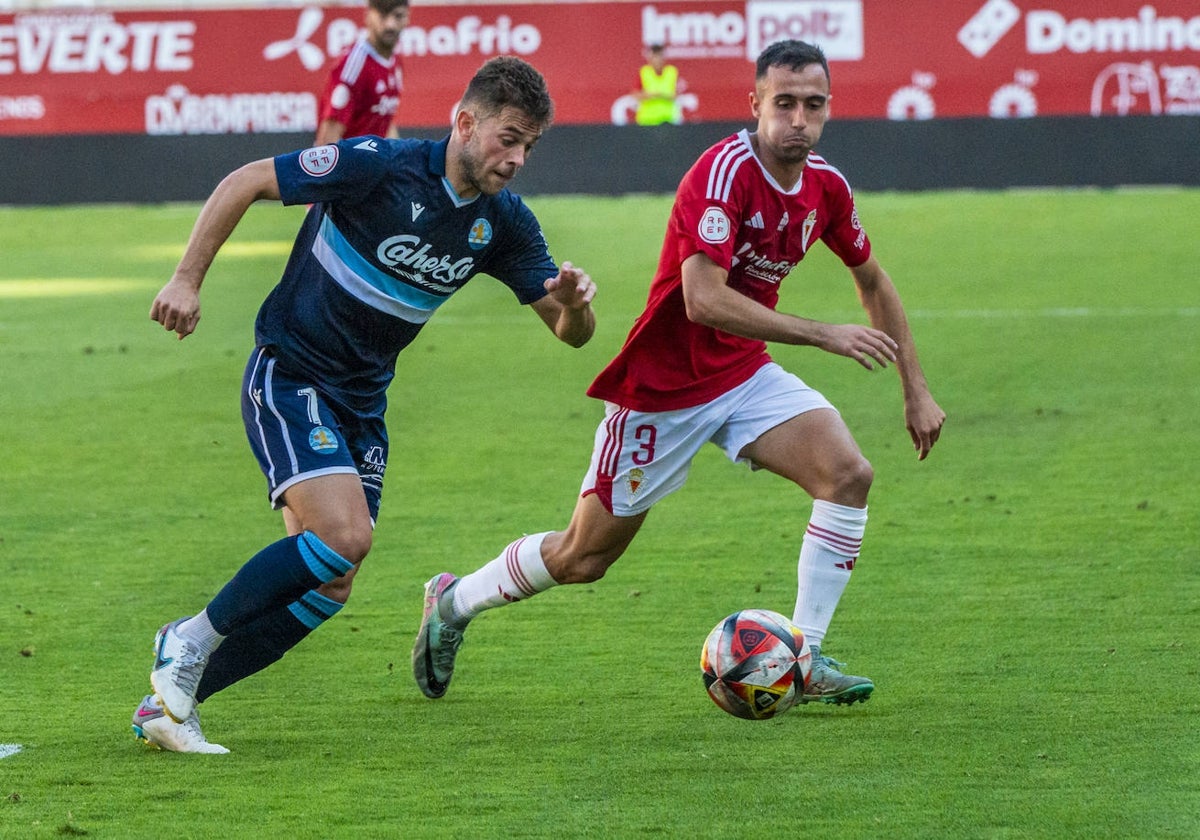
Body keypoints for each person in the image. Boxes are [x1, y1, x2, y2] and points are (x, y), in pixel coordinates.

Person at [413, 40, 946, 707]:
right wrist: (822, 334)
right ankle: (454, 601)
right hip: (660, 392)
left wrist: (916, 388)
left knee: (848, 475)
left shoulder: (826, 187)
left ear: (829, 108)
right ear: (756, 104)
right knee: (585, 558)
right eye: (783, 103)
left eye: (813, 105)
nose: (798, 120)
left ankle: (801, 658)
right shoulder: (722, 173)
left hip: (743, 372)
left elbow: (872, 278)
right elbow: (704, 298)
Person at [132, 56, 597, 754]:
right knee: (345, 538)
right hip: (291, 374)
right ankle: (187, 639)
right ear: (465, 123)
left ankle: (171, 705)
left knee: (331, 584)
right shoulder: (380, 165)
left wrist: (573, 305)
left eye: (529, 144)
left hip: (361, 404)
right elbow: (246, 180)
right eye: (508, 137)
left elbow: (569, 336)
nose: (517, 157)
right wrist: (186, 280)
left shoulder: (504, 224)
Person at [314, 0, 409, 145]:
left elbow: (384, 122)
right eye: (383, 16)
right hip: (349, 165)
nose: (390, 24)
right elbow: (328, 139)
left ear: (407, 18)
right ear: (368, 16)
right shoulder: (354, 66)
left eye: (398, 16)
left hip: (374, 165)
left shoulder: (395, 63)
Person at [633, 43, 683, 125]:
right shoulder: (644, 72)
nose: (657, 60)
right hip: (647, 119)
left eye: (660, 56)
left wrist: (663, 95)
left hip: (668, 118)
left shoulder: (672, 72)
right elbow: (635, 94)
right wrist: (650, 95)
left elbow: (677, 94)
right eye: (655, 56)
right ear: (650, 58)